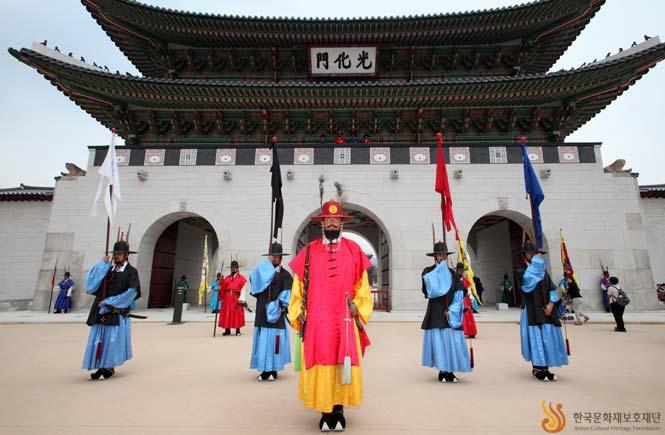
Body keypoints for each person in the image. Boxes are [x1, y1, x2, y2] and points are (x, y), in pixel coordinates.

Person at [288, 200, 373, 432]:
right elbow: (298, 288)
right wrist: (298, 312)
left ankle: (339, 410)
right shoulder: (308, 252)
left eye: (337, 219)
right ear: (322, 223)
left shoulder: (354, 250)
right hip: (318, 321)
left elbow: (362, 287)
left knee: (342, 361)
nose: (333, 222)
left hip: (344, 319)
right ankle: (325, 412)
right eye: (328, 219)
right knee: (322, 361)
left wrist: (358, 306)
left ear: (342, 223)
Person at [82, 240, 141, 380]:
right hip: (100, 309)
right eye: (114, 254)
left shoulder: (131, 272)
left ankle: (109, 366)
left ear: (126, 255)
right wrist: (102, 265)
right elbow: (91, 285)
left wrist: (110, 302)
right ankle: (99, 365)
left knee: (112, 340)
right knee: (98, 338)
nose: (116, 256)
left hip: (116, 310)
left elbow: (131, 292)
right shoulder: (107, 269)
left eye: (119, 254)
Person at [421, 244, 471, 384]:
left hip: (450, 312)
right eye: (440, 254)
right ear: (435, 256)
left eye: (445, 254)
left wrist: (453, 310)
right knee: (439, 341)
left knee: (451, 341)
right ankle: (442, 370)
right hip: (436, 310)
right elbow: (429, 291)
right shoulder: (428, 272)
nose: (443, 257)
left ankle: (450, 371)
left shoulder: (453, 274)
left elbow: (460, 293)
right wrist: (438, 273)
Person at [519, 243, 568, 382]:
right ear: (525, 256)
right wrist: (537, 263)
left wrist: (551, 304)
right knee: (536, 338)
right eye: (530, 254)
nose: (534, 256)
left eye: (535, 253)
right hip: (531, 310)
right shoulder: (522, 271)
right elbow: (527, 285)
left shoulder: (544, 273)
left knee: (547, 336)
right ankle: (537, 368)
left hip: (547, 309)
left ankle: (546, 368)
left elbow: (554, 289)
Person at [249, 242, 293, 381]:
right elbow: (254, 283)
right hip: (263, 311)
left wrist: (279, 305)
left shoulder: (285, 275)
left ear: (281, 258)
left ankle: (274, 369)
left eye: (277, 256)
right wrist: (264, 270)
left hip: (276, 313)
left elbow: (287, 294)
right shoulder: (262, 272)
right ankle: (264, 370)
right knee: (263, 341)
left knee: (276, 342)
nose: (274, 259)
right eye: (272, 256)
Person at [218, 260, 247, 336]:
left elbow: (243, 289)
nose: (233, 269)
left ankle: (238, 330)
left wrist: (242, 299)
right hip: (227, 298)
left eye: (235, 268)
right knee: (227, 313)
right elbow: (223, 289)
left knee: (237, 314)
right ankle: (227, 330)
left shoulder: (241, 278)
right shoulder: (227, 278)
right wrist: (220, 287)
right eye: (232, 268)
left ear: (237, 269)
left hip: (236, 297)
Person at [457, 263, 478, 338]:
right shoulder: (454, 280)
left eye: (462, 270)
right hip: (457, 299)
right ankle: (459, 331)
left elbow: (469, 290)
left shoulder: (465, 280)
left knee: (468, 315)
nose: (461, 272)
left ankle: (471, 332)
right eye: (459, 270)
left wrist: (471, 296)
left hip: (465, 299)